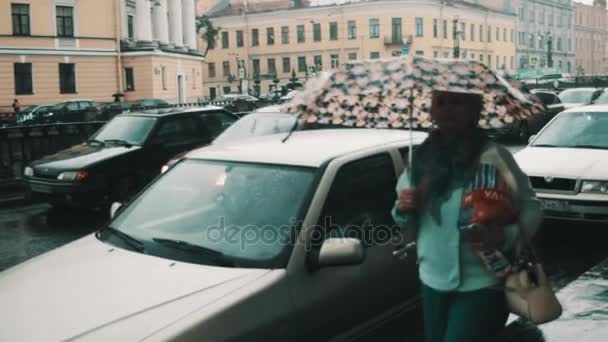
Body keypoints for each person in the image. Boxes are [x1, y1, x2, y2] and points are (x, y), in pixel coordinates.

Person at [392, 89, 542, 342]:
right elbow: (402, 218)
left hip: (483, 279)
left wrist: (506, 235)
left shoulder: (493, 156)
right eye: (440, 102)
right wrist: (403, 207)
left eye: (457, 102)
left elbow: (531, 206)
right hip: (432, 276)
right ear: (431, 111)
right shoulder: (419, 160)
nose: (447, 108)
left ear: (475, 111)